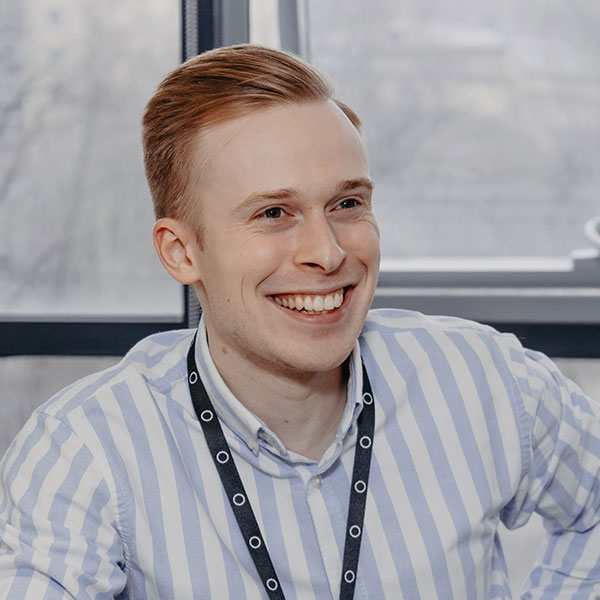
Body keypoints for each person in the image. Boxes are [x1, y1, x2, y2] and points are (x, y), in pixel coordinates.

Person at [1, 44, 599, 600]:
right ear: (182, 253)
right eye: (274, 212)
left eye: (346, 204)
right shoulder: (85, 452)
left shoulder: (489, 381)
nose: (328, 252)